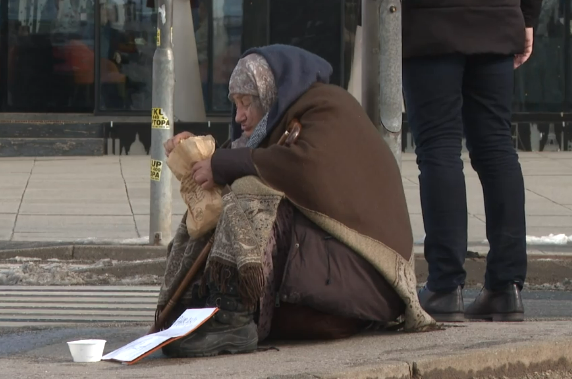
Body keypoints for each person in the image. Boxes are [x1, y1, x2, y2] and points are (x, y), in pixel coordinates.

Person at [157, 44, 436, 358]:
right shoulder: (292, 111)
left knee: (252, 189)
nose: (240, 116)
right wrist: (200, 152)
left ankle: (233, 319)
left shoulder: (327, 107)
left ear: (270, 93)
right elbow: (259, 156)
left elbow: (300, 167)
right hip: (337, 277)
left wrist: (222, 164)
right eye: (235, 104)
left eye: (246, 103)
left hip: (368, 283)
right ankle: (201, 309)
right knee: (238, 186)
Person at [402, 0, 543, 322]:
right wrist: (527, 17)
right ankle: (506, 288)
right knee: (496, 148)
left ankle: (445, 286)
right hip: (497, 18)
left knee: (439, 149)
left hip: (431, 22)